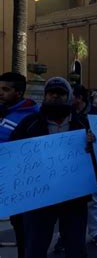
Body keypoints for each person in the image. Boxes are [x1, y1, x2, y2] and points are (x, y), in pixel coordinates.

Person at [10, 77, 95, 258]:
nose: (55, 96)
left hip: (74, 198)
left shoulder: (84, 124)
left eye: (61, 93)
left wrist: (92, 148)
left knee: (76, 247)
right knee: (35, 247)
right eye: (51, 93)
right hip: (38, 198)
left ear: (70, 97)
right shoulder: (29, 123)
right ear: (45, 95)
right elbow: (13, 157)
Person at [54, 85, 97, 252]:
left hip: (91, 163)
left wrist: (93, 139)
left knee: (93, 199)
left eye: (71, 96)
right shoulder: (68, 113)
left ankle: (96, 232)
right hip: (69, 166)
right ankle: (64, 236)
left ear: (80, 98)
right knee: (66, 203)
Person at [0, 72, 39, 258]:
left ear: (19, 92)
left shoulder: (32, 116)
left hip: (20, 183)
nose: (0, 93)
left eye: (5, 89)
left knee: (22, 228)